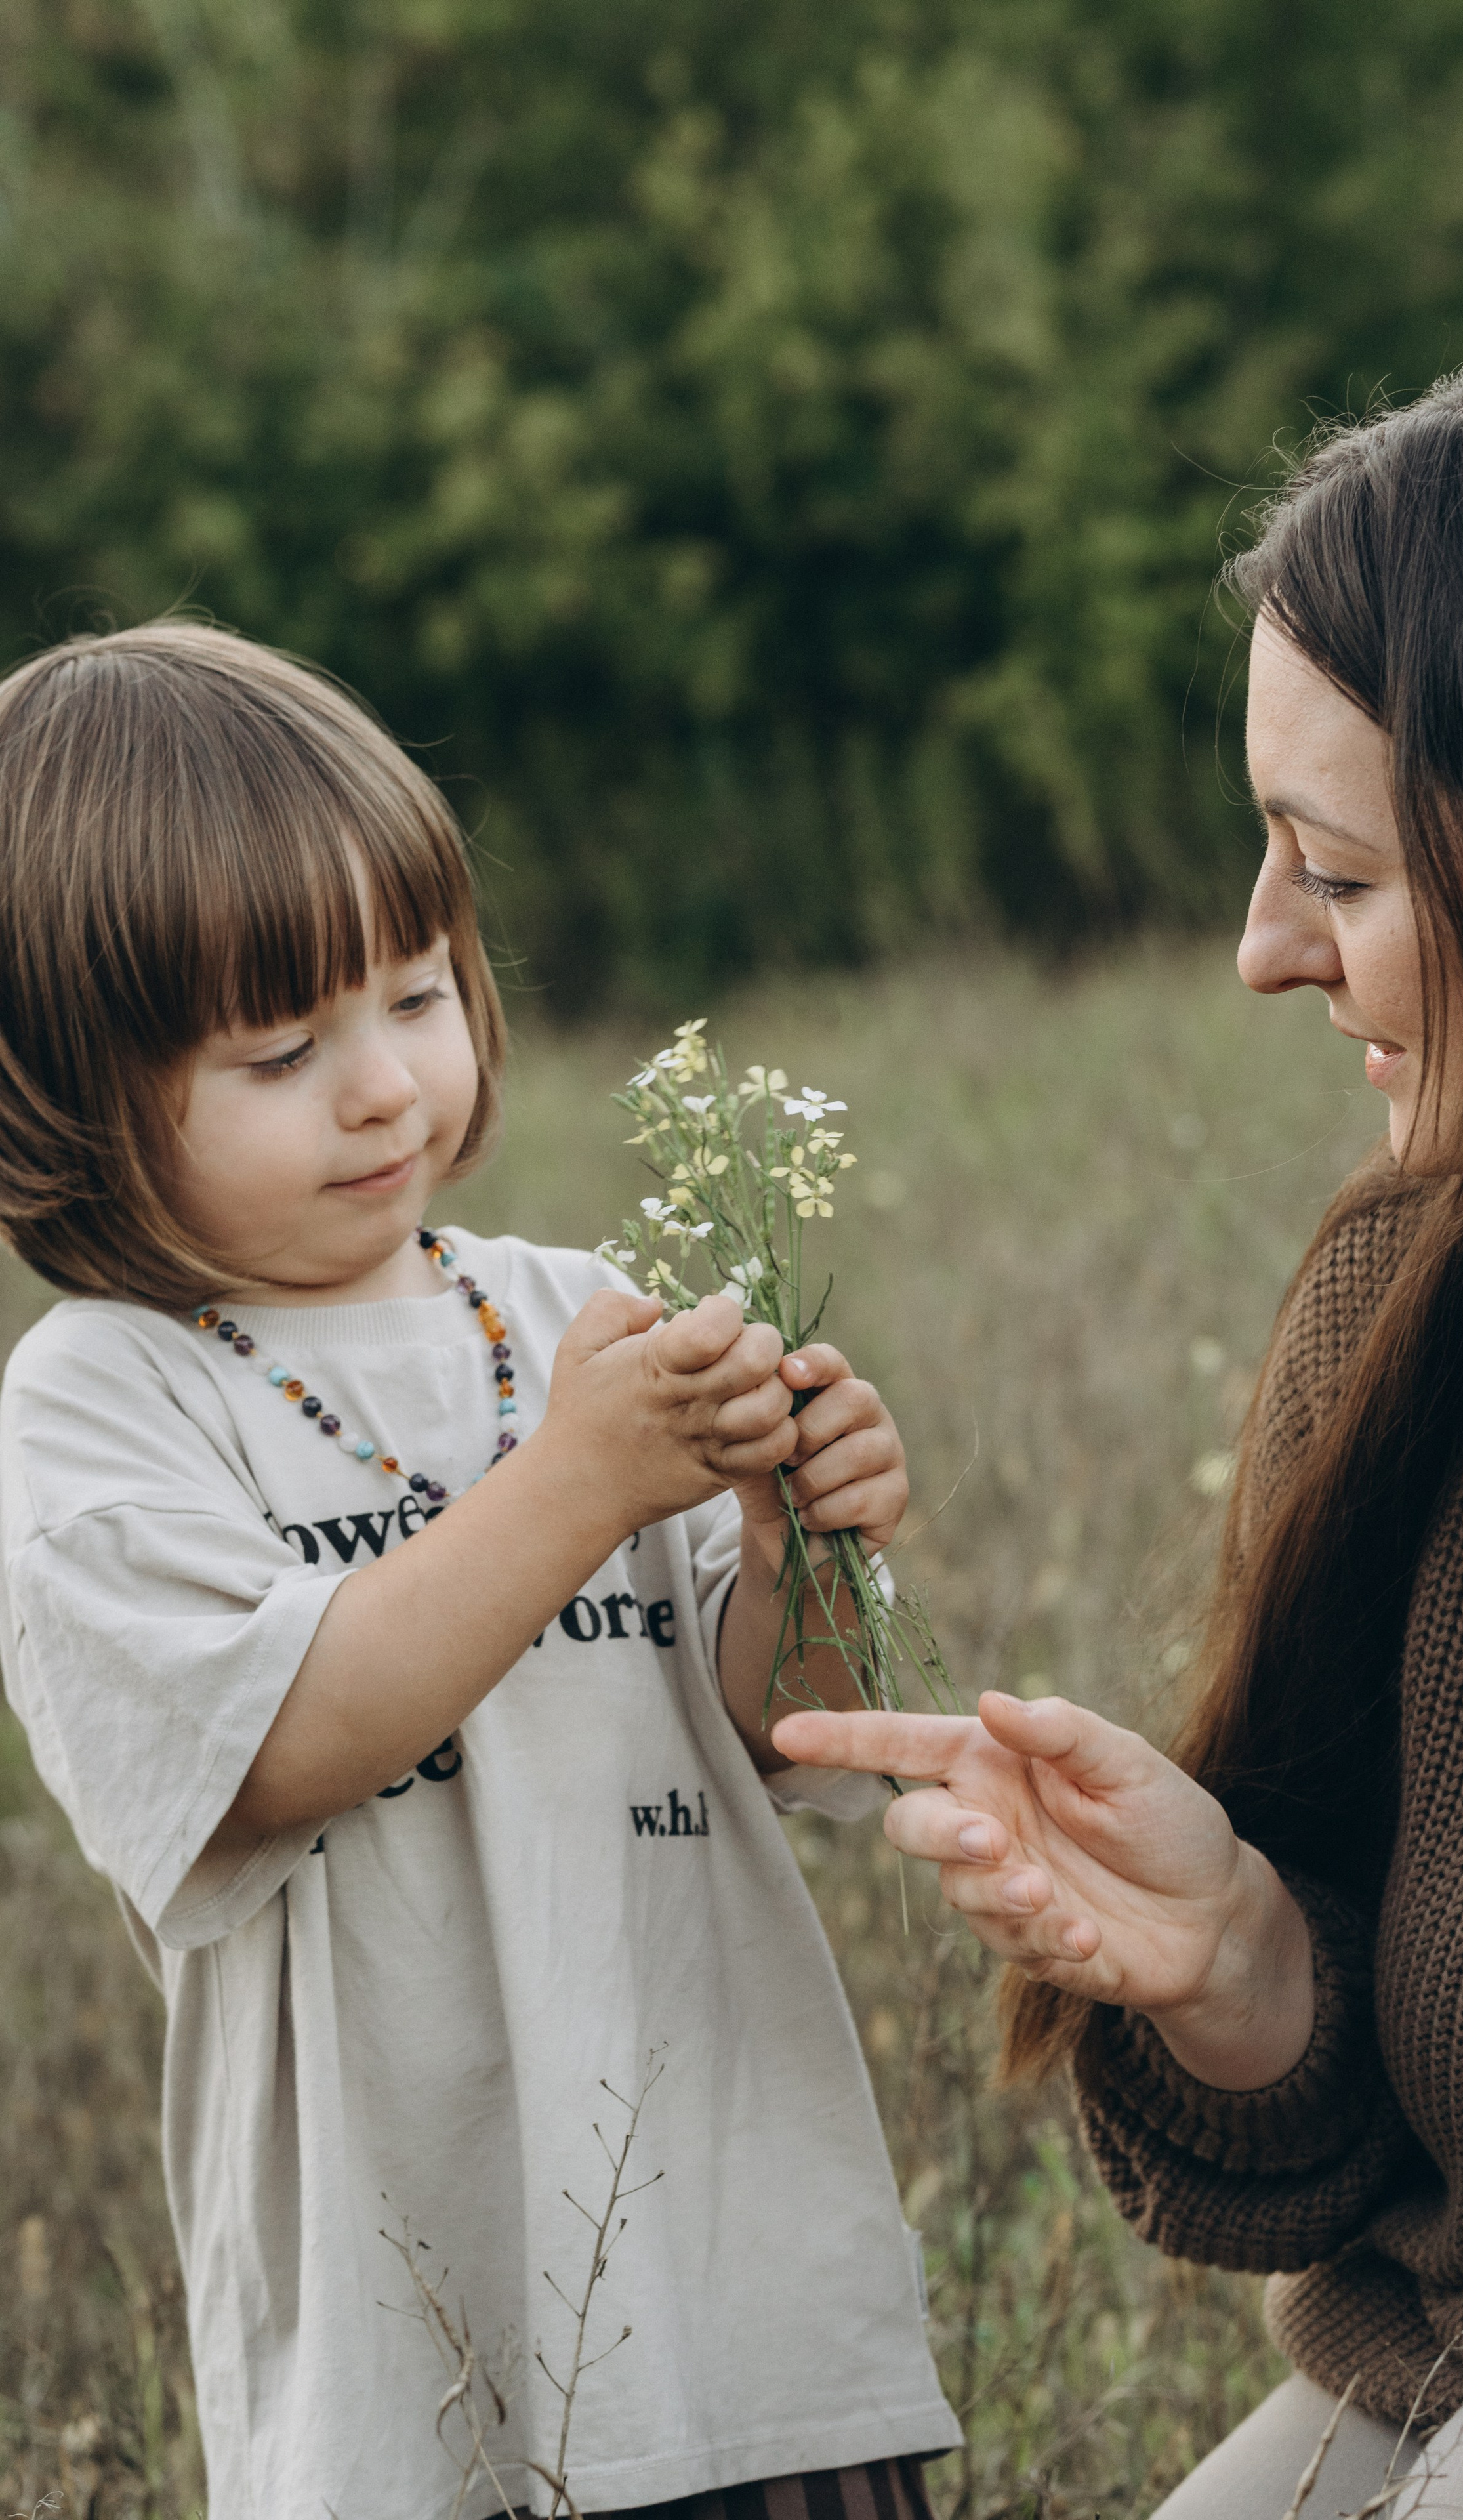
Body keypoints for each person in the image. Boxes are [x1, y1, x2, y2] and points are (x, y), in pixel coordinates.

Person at [774, 343, 1463, 2518]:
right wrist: (1243, 1964)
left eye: (1336, 873)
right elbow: (1376, 2148)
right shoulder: (1406, 1305)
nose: (1264, 952)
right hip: (1461, 2364)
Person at [0, 623, 960, 2519]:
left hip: (741, 2289)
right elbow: (278, 1751)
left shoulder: (571, 1313)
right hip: (416, 2332)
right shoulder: (107, 1404)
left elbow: (784, 1732)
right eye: (281, 1048)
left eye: (420, 995)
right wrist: (578, 1480)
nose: (382, 1088)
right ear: (67, 1095)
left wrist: (798, 1540)